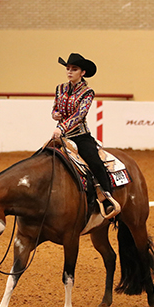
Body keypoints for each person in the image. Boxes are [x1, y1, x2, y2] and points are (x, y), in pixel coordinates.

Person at [51, 53, 119, 217]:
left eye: (74, 69)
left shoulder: (87, 92)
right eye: (68, 69)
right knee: (43, 157)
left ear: (82, 73)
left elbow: (80, 115)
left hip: (79, 135)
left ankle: (108, 197)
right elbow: (55, 107)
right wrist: (54, 114)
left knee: (95, 162)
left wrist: (63, 126)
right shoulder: (60, 88)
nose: (69, 72)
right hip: (61, 135)